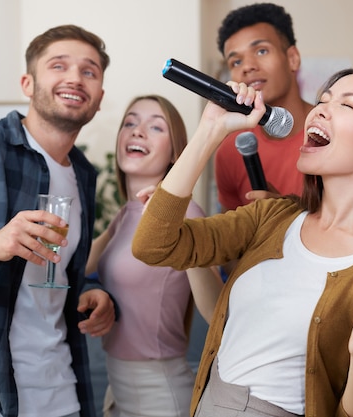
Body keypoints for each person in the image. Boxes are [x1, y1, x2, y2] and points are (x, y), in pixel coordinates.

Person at [132, 68, 353, 417]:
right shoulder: (271, 217)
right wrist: (211, 130)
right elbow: (154, 245)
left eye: (346, 105)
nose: (320, 110)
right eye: (323, 100)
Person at [0, 25, 116, 417]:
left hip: (61, 389)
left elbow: (58, 280)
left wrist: (97, 295)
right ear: (28, 82)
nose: (75, 77)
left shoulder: (84, 174)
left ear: (99, 97)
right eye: (59, 66)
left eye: (89, 71)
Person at [85, 95, 223, 417]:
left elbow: (216, 310)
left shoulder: (187, 213)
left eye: (155, 127)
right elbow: (78, 265)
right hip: (117, 392)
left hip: (159, 394)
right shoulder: (124, 215)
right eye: (130, 123)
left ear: (176, 152)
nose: (137, 131)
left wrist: (180, 235)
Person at [213, 2, 315, 211]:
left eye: (261, 51)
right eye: (236, 62)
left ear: (292, 59)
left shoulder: (334, 135)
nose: (248, 67)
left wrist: (288, 213)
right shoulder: (231, 150)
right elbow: (230, 236)